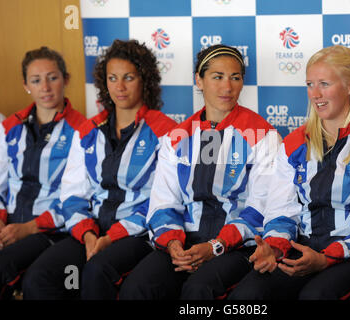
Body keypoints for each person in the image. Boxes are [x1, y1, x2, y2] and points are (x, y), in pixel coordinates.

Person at [228, 45, 350, 300]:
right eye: (309, 84)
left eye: (324, 84)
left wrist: (327, 258)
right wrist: (275, 246)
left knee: (314, 296)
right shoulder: (295, 142)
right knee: (248, 294)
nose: (315, 94)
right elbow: (282, 209)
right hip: (303, 246)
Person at [119, 44, 281, 300]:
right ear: (199, 80)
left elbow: (261, 207)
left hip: (236, 246)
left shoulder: (262, 135)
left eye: (235, 78)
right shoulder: (177, 137)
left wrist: (216, 246)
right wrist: (173, 244)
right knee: (137, 288)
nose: (227, 87)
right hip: (184, 242)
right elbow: (163, 201)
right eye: (217, 77)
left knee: (198, 290)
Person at [21, 39, 177, 300]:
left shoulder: (166, 131)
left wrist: (111, 237)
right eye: (112, 78)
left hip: (139, 234)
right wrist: (88, 233)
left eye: (129, 77)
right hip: (91, 231)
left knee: (96, 271)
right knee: (39, 277)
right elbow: (72, 194)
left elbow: (162, 202)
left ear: (145, 80)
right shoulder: (89, 129)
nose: (120, 86)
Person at [0, 46, 85, 299]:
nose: (45, 87)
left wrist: (29, 228)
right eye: (36, 80)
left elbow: (78, 199)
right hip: (9, 226)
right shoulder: (10, 126)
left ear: (66, 79)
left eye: (53, 78)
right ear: (26, 85)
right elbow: (1, 186)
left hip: (51, 231)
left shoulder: (82, 130)